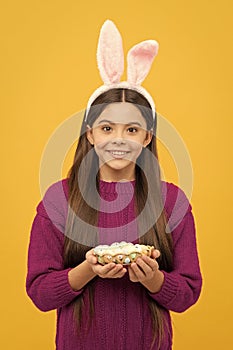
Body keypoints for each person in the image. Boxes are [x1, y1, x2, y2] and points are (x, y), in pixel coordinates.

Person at [26, 20, 202, 350]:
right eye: (107, 128)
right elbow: (39, 292)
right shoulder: (59, 199)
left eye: (132, 130)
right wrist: (87, 270)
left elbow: (188, 292)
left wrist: (154, 279)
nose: (118, 140)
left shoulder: (171, 200)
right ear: (90, 133)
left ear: (147, 136)